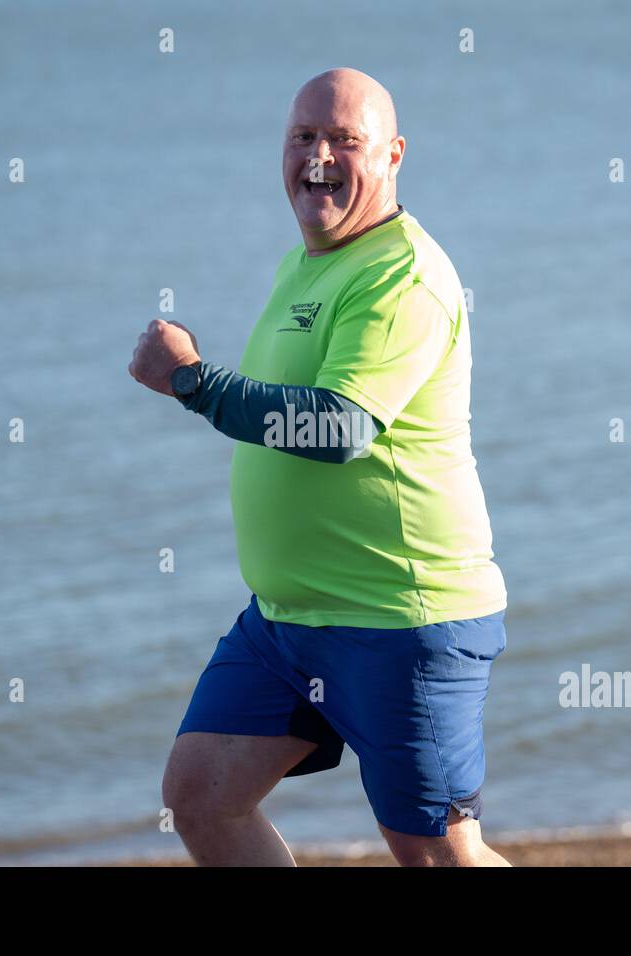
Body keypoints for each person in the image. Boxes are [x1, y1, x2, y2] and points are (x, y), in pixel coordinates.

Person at [128, 67, 509, 866]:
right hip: (288, 623)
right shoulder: (303, 266)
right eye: (304, 137)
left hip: (402, 620)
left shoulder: (401, 275)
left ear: (395, 154)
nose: (320, 157)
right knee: (201, 799)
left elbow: (339, 427)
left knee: (440, 855)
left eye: (345, 139)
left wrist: (195, 382)